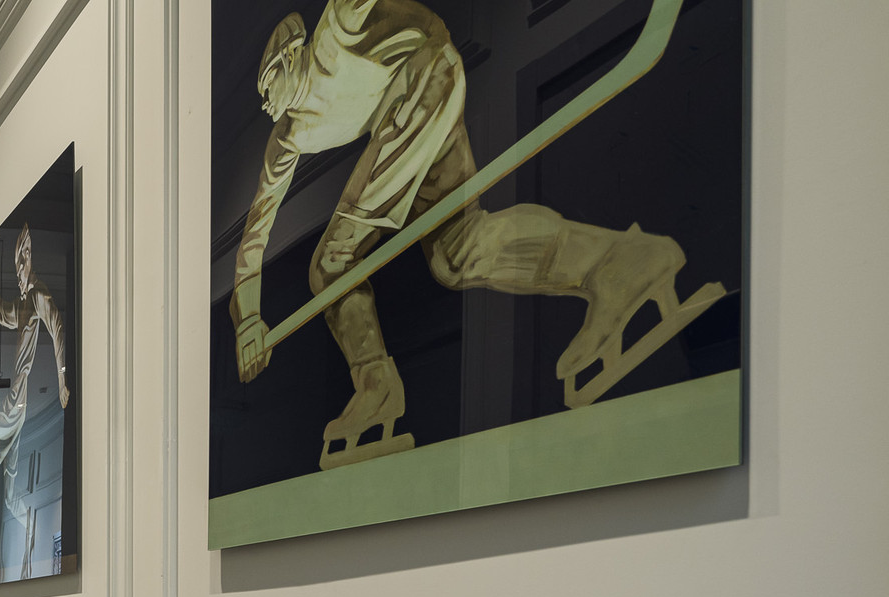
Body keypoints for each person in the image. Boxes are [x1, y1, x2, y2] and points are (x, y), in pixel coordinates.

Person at [230, 0, 724, 468]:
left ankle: (375, 386)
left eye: (269, 80)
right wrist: (249, 319)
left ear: (291, 55)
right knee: (456, 254)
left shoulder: (338, 24)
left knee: (331, 262)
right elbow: (254, 237)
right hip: (413, 110)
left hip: (425, 79)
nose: (266, 100)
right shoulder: (287, 139)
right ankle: (620, 263)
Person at [0, 224, 70, 575]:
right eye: (20, 257)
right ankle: (26, 550)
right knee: (12, 498)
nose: (25, 262)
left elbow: (57, 326)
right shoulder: (24, 301)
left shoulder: (39, 294)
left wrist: (62, 377)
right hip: (16, 399)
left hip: (19, 396)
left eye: (27, 254)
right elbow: (3, 313)